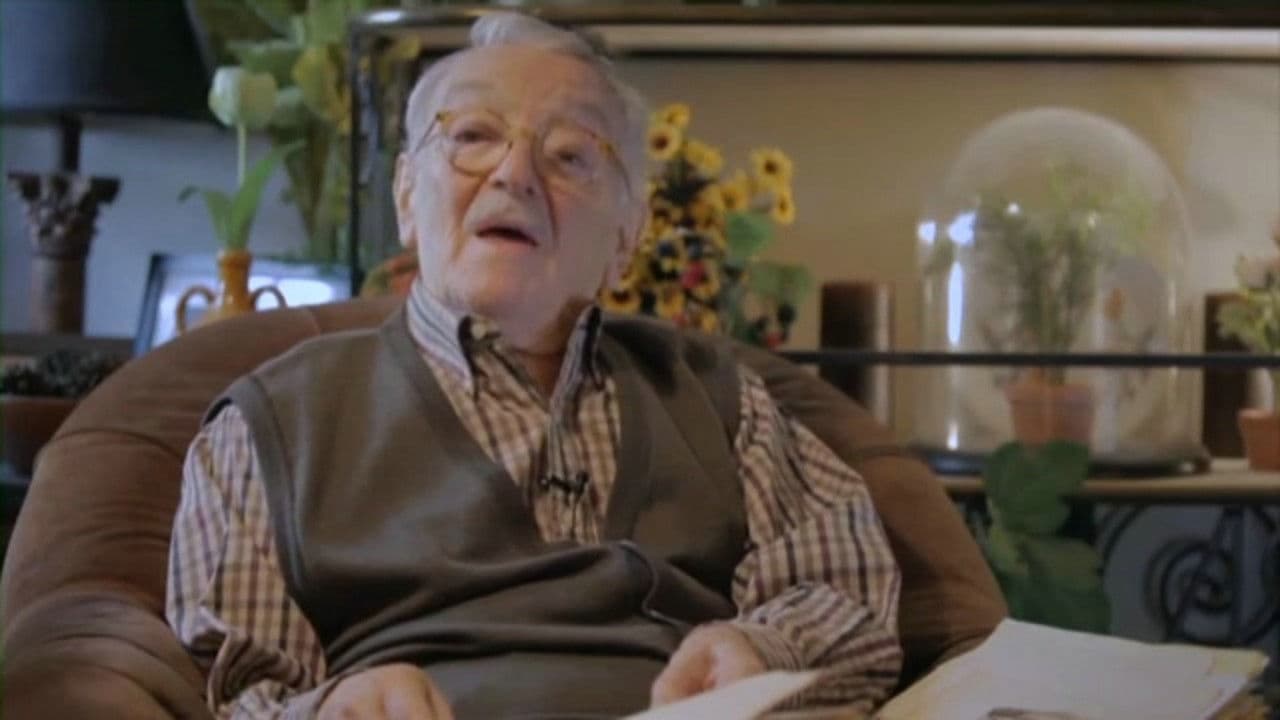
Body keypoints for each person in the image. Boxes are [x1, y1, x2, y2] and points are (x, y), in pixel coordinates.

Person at [166, 11, 901, 720]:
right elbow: (236, 689)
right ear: (406, 198)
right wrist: (331, 709)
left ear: (627, 235)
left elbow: (850, 594)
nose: (514, 173)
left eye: (570, 155)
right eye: (473, 136)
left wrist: (761, 650)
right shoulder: (270, 423)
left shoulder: (720, 400)